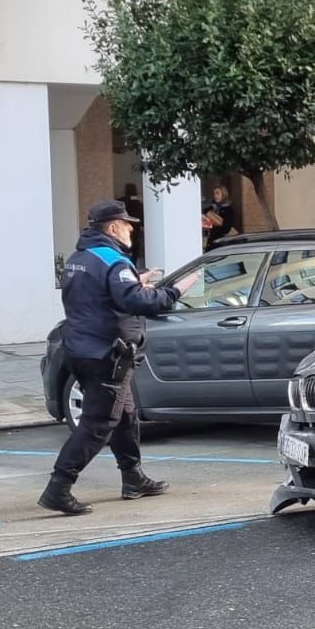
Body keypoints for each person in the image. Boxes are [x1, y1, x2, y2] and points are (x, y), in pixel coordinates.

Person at [39, 200, 193, 515]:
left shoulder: (79, 258)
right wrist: (174, 291)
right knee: (99, 423)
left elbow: (98, 296)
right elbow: (140, 303)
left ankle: (133, 478)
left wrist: (134, 281)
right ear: (112, 228)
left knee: (125, 416)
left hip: (80, 349)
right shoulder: (113, 261)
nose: (131, 228)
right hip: (105, 354)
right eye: (126, 223)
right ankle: (59, 487)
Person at [201, 184, 236, 249]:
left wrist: (212, 227)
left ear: (223, 194)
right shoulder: (210, 208)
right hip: (211, 243)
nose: (215, 196)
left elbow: (226, 228)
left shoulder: (228, 209)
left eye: (217, 193)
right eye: (214, 193)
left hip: (223, 243)